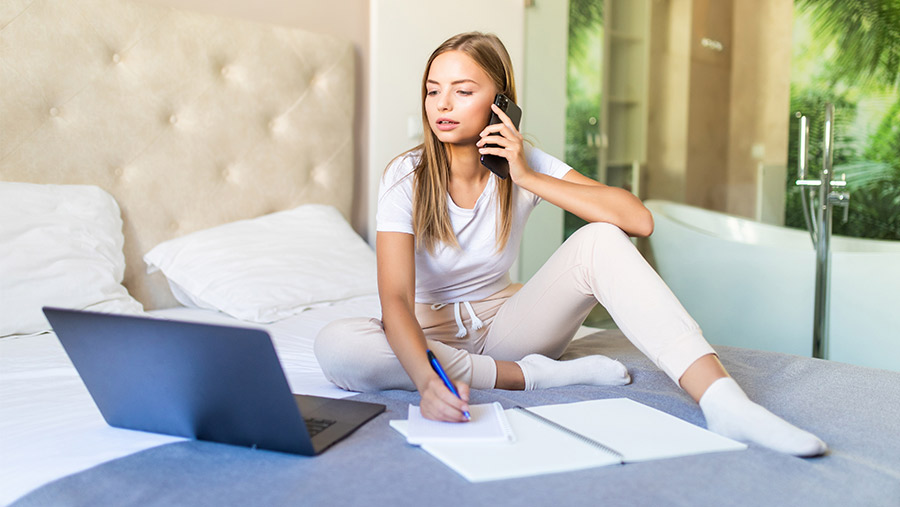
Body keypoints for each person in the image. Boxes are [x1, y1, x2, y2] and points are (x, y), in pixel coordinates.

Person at [315, 31, 826, 457]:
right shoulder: (407, 176)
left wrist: (526, 175)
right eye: (433, 90)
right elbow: (396, 302)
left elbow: (637, 220)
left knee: (600, 238)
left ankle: (724, 402)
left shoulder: (527, 162)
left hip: (507, 325)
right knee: (338, 346)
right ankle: (535, 378)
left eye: (463, 90)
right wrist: (431, 383)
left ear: (501, 103)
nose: (442, 105)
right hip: (431, 335)